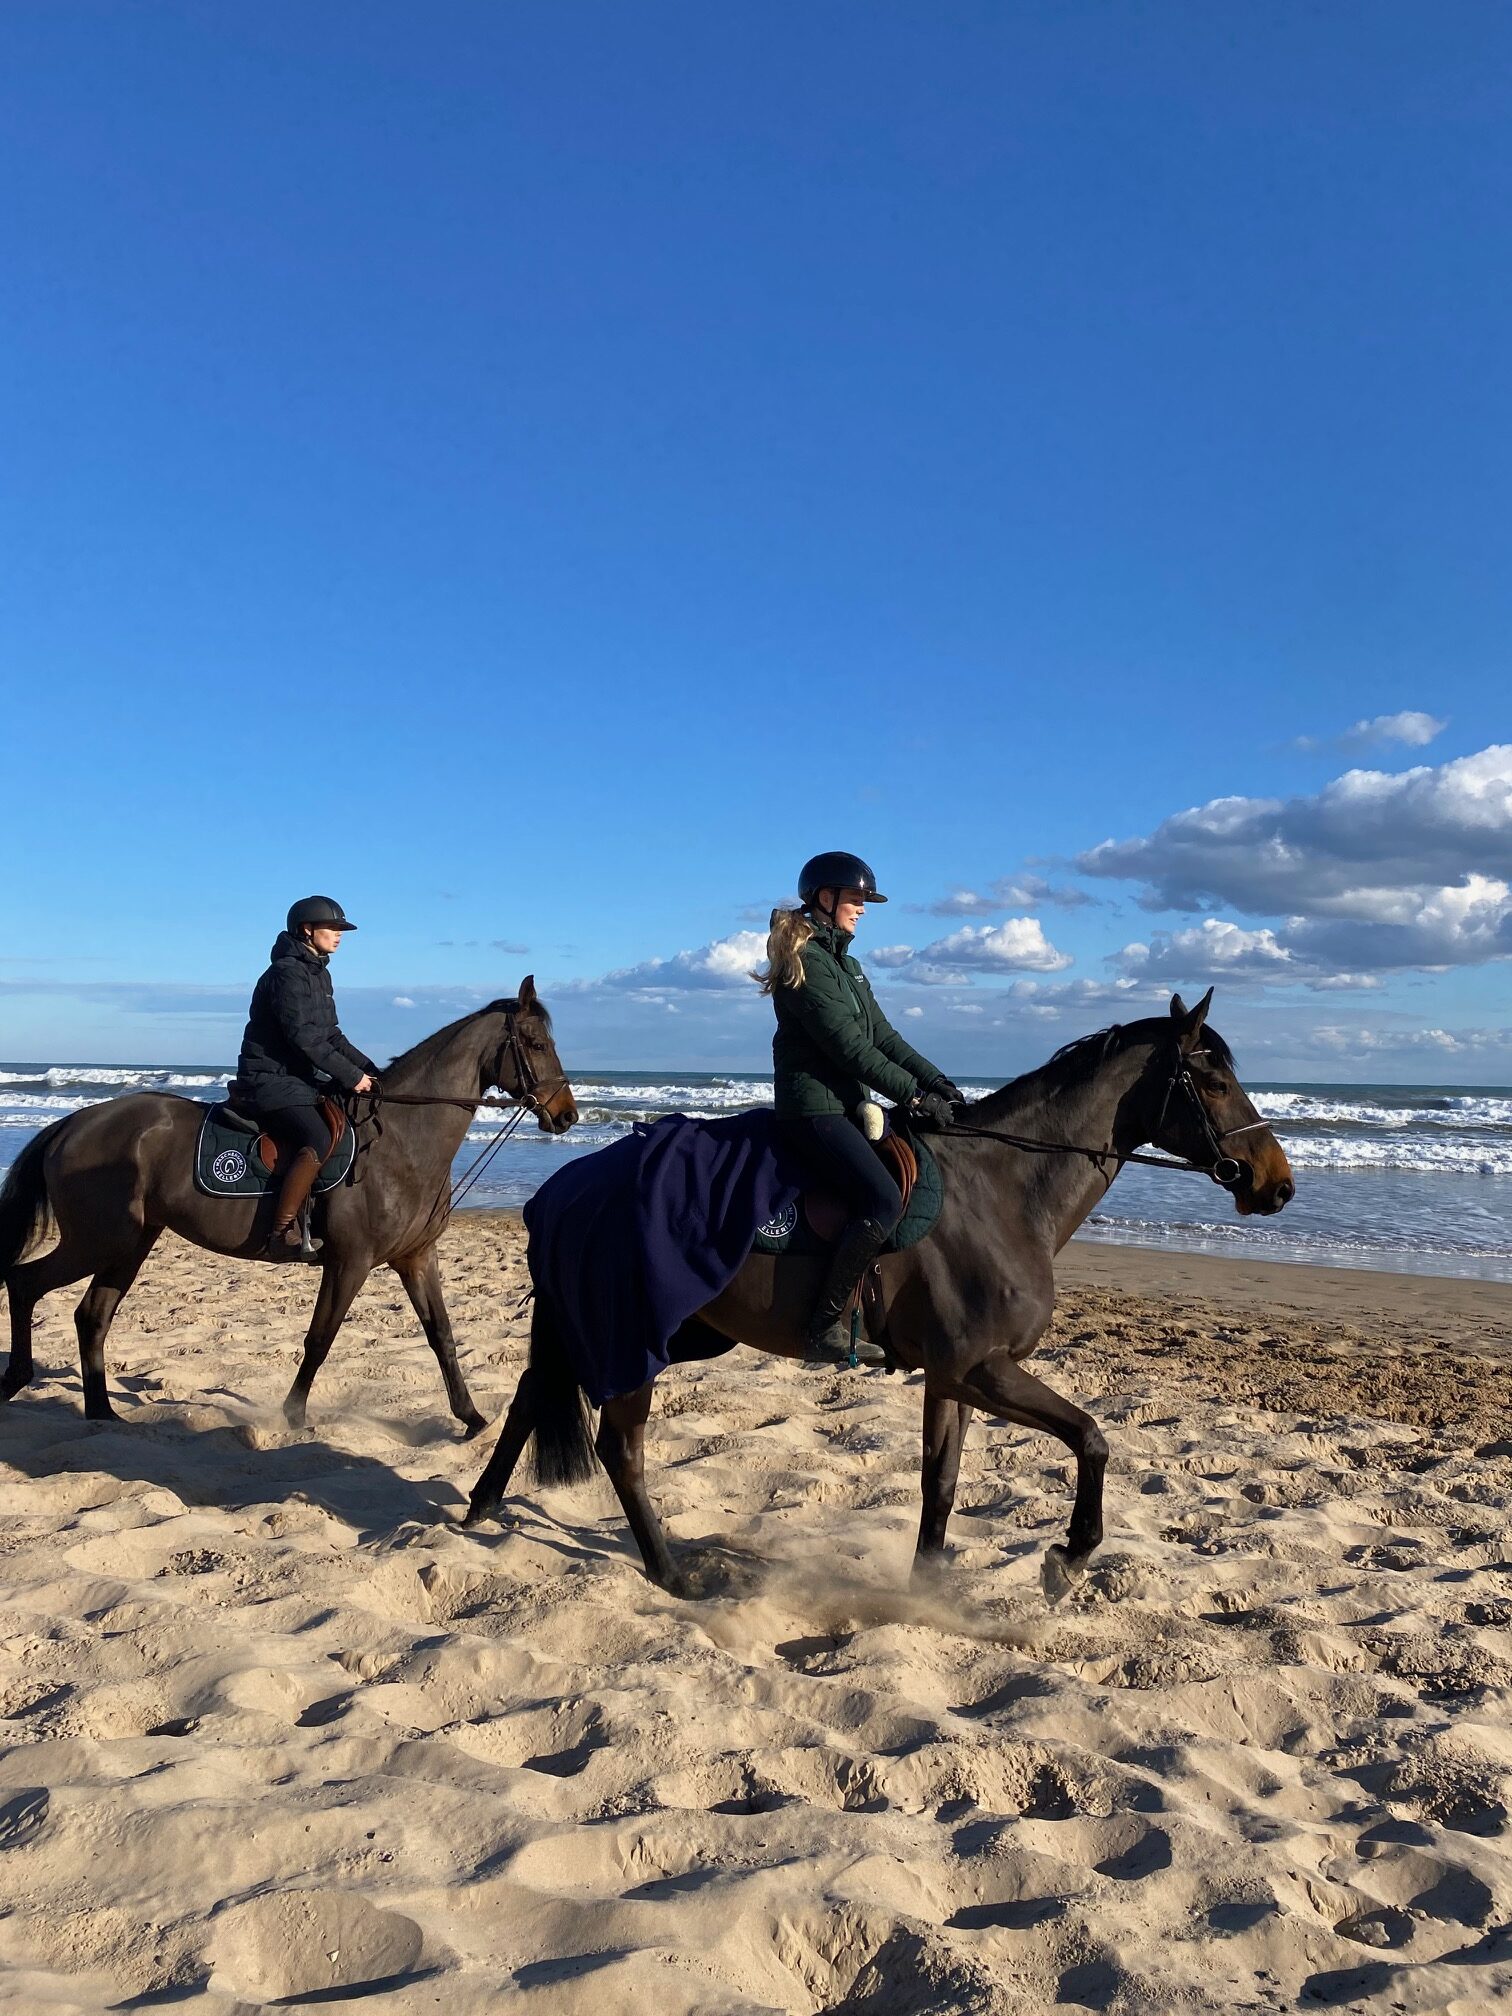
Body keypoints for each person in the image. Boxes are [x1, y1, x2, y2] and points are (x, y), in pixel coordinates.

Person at [757, 852, 963, 1364]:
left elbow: (884, 1038)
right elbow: (850, 1049)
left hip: (846, 1106)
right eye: (855, 899)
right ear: (825, 899)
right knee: (881, 1200)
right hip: (814, 1111)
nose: (863, 909)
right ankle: (824, 1326)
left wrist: (938, 1080)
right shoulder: (807, 965)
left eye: (864, 901)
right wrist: (913, 1097)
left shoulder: (847, 965)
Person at [235, 896, 378, 1261]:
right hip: (268, 1079)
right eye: (333, 928)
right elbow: (303, 1037)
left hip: (298, 1080)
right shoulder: (286, 973)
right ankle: (281, 1232)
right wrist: (349, 1076)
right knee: (317, 1134)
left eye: (341, 929)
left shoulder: (318, 972)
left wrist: (371, 1071)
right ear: (307, 930)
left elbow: (331, 1035)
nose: (339, 935)